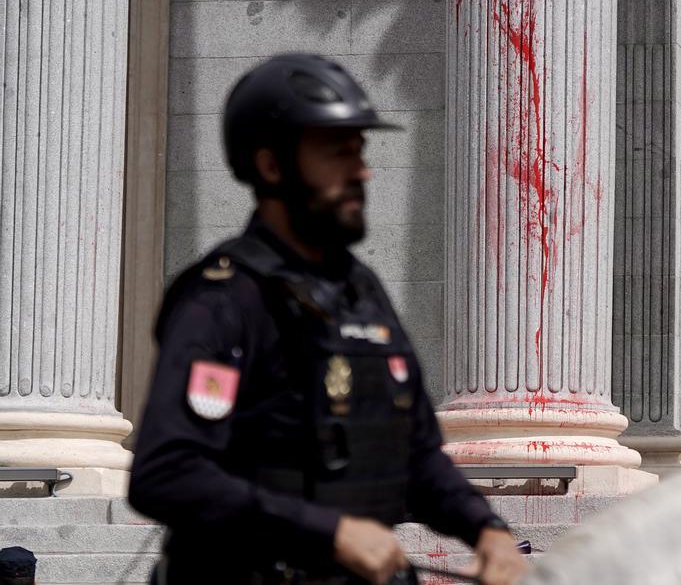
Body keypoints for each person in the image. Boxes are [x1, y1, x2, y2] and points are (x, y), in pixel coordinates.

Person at [129, 54, 529, 585]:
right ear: (271, 167)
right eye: (337, 153)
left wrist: (487, 530)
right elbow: (167, 472)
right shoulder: (224, 300)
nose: (361, 170)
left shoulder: (363, 294)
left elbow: (417, 456)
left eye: (360, 151)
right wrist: (331, 533)